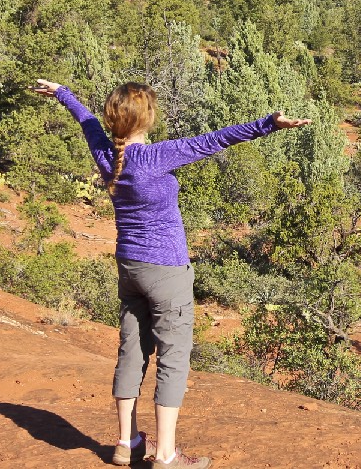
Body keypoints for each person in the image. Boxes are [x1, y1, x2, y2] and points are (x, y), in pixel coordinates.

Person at [34, 79, 311, 468]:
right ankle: (165, 454)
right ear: (147, 119)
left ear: (115, 117)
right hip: (165, 270)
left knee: (132, 350)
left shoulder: (105, 152)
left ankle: (127, 441)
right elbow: (212, 140)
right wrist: (268, 123)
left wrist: (63, 93)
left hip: (129, 267)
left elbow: (86, 120)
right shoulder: (153, 157)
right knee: (173, 357)